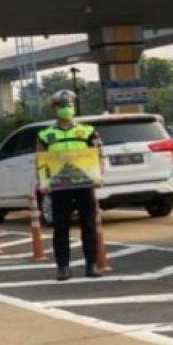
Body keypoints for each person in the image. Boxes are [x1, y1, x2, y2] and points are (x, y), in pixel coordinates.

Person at [37, 90, 102, 281]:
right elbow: (40, 160)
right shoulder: (45, 134)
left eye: (68, 105)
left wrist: (100, 176)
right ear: (54, 109)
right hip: (59, 186)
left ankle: (92, 264)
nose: (65, 109)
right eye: (61, 106)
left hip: (84, 183)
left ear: (74, 107)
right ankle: (63, 267)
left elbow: (98, 153)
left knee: (89, 225)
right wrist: (43, 182)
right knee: (61, 227)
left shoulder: (88, 131)